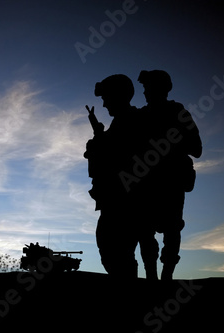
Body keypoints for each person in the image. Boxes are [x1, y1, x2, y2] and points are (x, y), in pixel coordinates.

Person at [137, 70, 202, 280]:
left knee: (172, 230)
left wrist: (169, 144)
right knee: (145, 231)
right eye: (144, 88)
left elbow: (197, 148)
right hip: (146, 184)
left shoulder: (177, 112)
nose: (145, 92)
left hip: (172, 183)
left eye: (148, 88)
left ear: (161, 89)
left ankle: (166, 278)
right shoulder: (142, 116)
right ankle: (151, 278)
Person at [84, 74, 144, 279]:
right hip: (116, 199)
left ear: (119, 96)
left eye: (106, 98)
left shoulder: (131, 121)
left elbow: (117, 153)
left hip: (125, 200)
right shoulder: (121, 122)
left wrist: (98, 142)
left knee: (116, 250)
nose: (104, 103)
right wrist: (97, 131)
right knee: (113, 250)